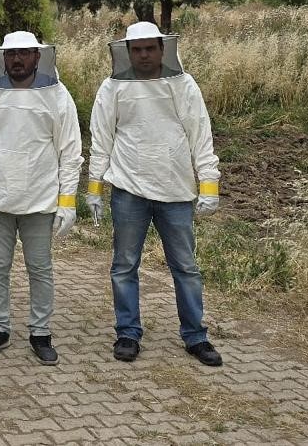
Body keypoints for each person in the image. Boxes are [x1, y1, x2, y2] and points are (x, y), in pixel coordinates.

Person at [86, 21, 224, 367]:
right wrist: (94, 188)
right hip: (128, 189)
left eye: (150, 48)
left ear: (163, 49)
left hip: (175, 190)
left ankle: (196, 336)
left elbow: (200, 133)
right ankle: (128, 333)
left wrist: (209, 184)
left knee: (186, 267)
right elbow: (101, 137)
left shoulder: (183, 84)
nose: (144, 55)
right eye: (137, 49)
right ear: (127, 52)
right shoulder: (113, 87)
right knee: (123, 266)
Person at [0, 31, 82, 365]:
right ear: (3, 57)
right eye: (12, 54)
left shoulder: (57, 95)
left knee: (39, 268)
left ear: (37, 57)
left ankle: (40, 332)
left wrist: (67, 200)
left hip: (40, 200)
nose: (17, 59)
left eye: (24, 53)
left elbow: (70, 151)